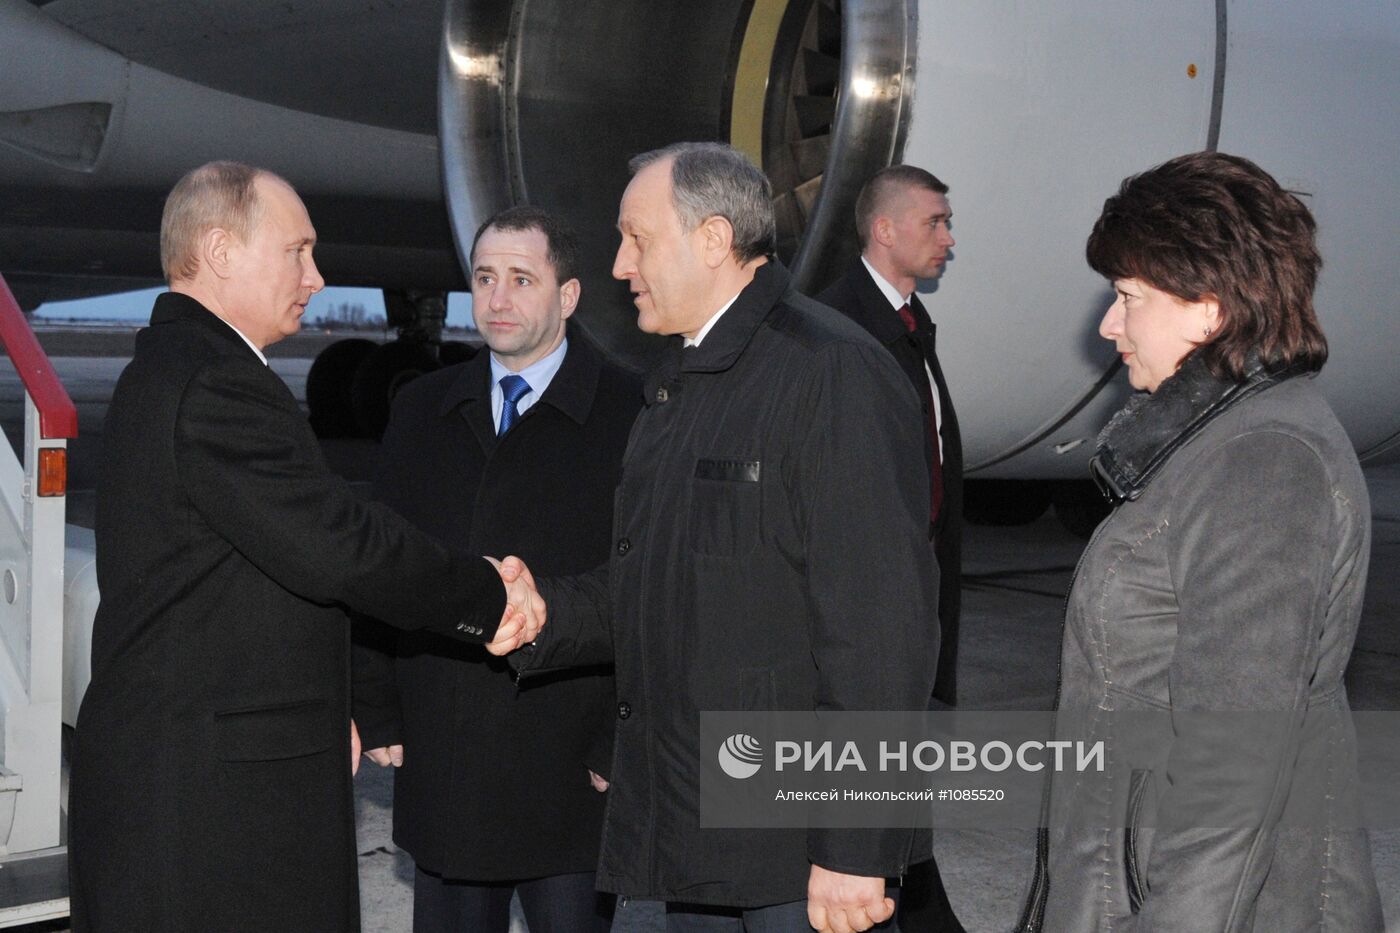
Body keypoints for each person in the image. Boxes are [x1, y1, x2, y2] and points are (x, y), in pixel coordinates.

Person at [69, 161, 540, 933]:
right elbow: (341, 546)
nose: (316, 277)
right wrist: (486, 597)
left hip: (206, 769)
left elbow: (249, 583)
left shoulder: (180, 368)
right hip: (207, 804)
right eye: (298, 251)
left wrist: (331, 705)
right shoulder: (213, 385)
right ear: (221, 252)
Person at [504, 142, 938, 933]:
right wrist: (544, 613)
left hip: (796, 848)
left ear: (712, 240)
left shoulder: (828, 373)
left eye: (637, 238)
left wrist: (854, 846)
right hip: (695, 826)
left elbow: (880, 633)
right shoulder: (685, 378)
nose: (618, 264)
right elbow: (659, 575)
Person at [1018, 151, 1383, 931]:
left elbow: (1232, 772)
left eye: (1127, 297)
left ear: (1209, 308)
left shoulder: (1264, 461)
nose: (1109, 324)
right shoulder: (1213, 439)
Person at [352, 205, 640, 932]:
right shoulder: (421, 408)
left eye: (520, 279)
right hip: (446, 747)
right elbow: (379, 564)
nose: (498, 299)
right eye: (484, 278)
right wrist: (377, 702)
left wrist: (621, 740)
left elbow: (651, 591)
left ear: (568, 296)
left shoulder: (633, 412)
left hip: (570, 761)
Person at [816, 165, 965, 932]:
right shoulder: (837, 328)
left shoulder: (904, 321)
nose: (949, 237)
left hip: (911, 590)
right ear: (884, 229)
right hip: (871, 599)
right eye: (935, 221)